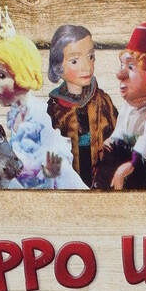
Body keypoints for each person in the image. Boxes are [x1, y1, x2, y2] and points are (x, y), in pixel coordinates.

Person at [0, 7, 87, 189]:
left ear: (21, 73)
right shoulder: (15, 114)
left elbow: (56, 160)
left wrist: (44, 170)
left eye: (1, 76)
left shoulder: (41, 114)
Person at [92, 22, 146, 190]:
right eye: (122, 65)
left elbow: (145, 146)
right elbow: (119, 135)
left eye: (130, 67)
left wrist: (127, 168)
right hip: (126, 167)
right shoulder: (128, 107)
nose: (120, 74)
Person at [46, 24, 118, 187]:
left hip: (103, 179)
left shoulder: (102, 101)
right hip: (69, 181)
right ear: (58, 66)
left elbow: (118, 135)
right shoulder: (54, 109)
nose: (87, 66)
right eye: (74, 61)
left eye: (90, 56)